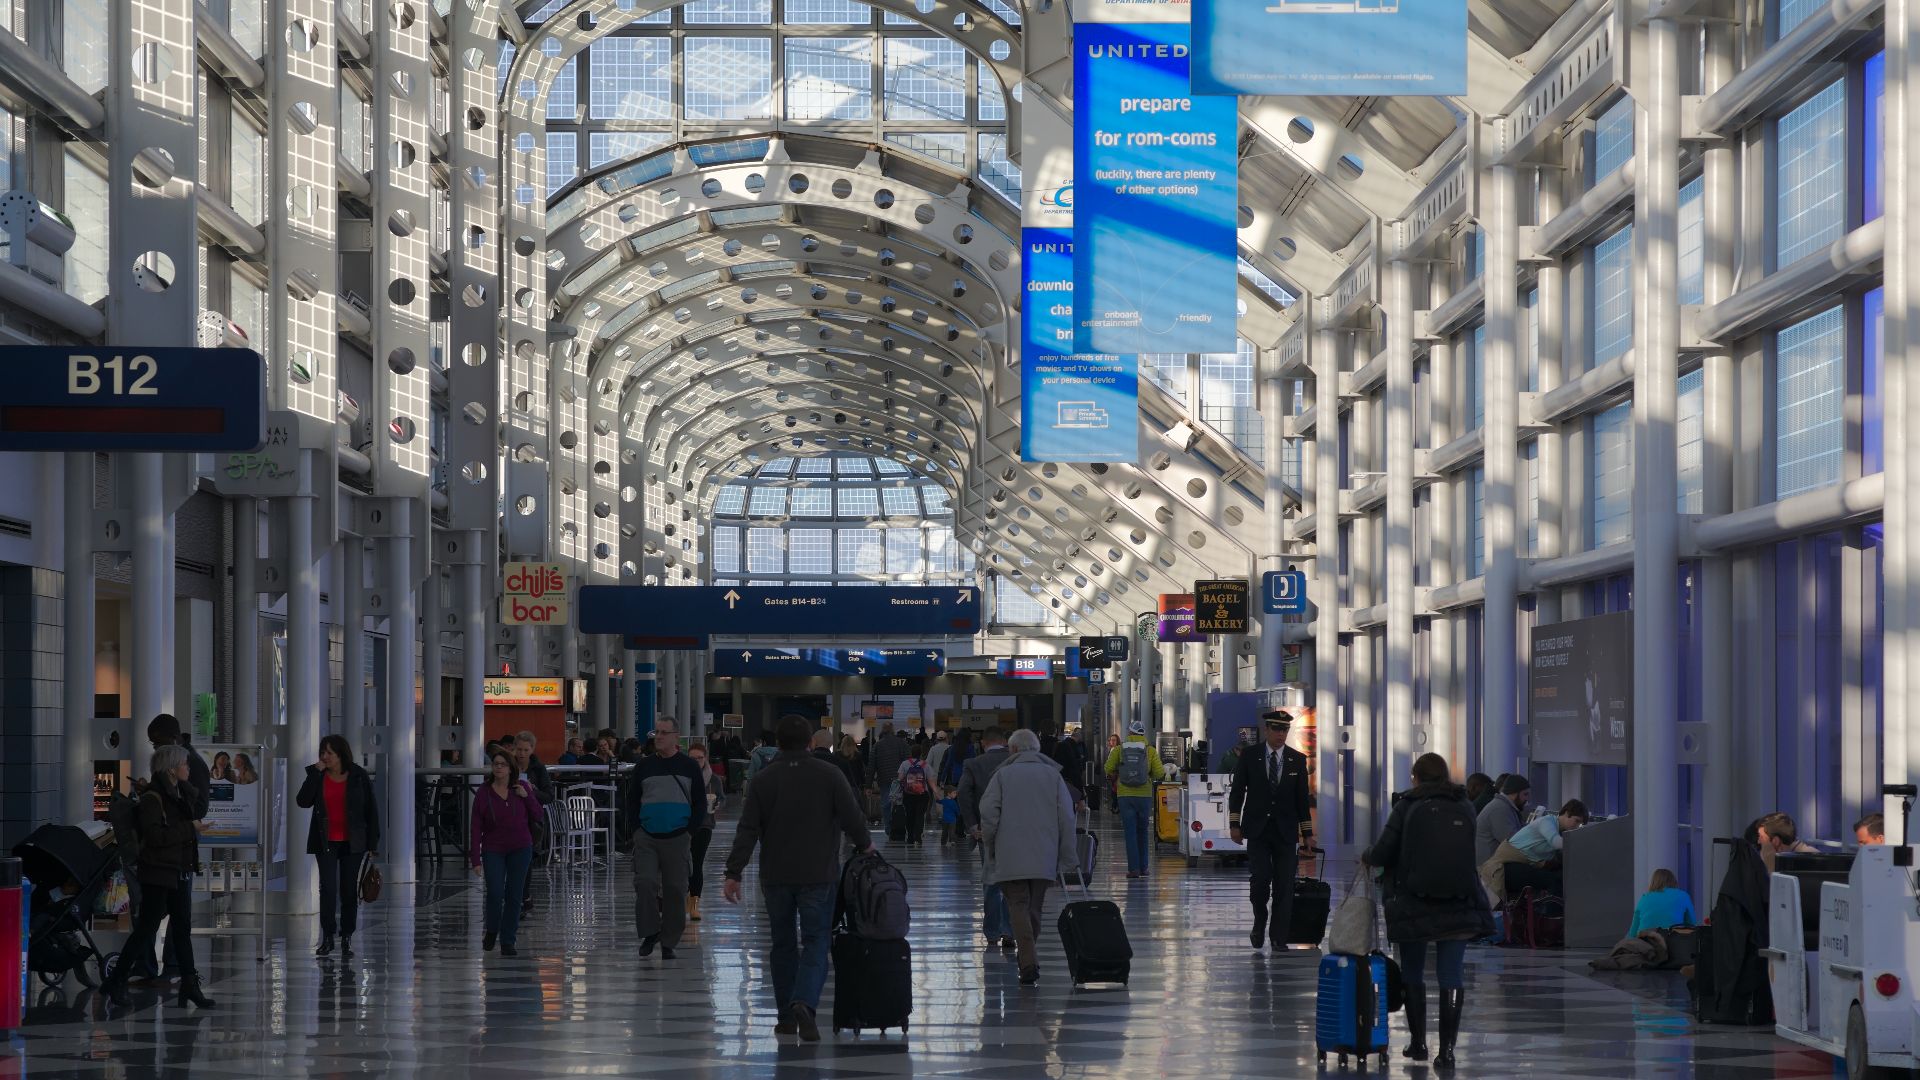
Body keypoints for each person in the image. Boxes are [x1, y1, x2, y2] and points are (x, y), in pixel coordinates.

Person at [723, 714, 873, 1042]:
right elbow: (852, 817)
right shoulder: (830, 774)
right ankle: (804, 1001)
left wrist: (733, 872)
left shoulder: (764, 779)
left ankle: (786, 1017)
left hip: (775, 875)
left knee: (782, 944)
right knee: (817, 940)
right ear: (810, 743)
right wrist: (865, 845)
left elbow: (747, 829)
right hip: (819, 873)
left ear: (777, 743)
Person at [1360, 753, 1492, 1071]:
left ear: (1415, 777)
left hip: (1414, 903)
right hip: (1460, 901)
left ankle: (1418, 1043)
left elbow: (1382, 852)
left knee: (1413, 972)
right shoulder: (1465, 806)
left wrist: (1366, 856)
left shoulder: (1406, 806)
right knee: (1451, 975)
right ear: (1445, 776)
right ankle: (1446, 1052)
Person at [102, 745, 215, 1009]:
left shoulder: (177, 794)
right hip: (157, 872)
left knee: (182, 928)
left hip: (177, 870)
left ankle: (190, 983)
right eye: (184, 764)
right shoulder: (154, 799)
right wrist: (190, 828)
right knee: (147, 928)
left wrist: (191, 828)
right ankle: (117, 979)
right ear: (172, 769)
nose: (188, 768)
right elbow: (155, 837)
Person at [978, 729, 1078, 984]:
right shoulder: (1053, 777)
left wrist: (989, 845)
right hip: (1044, 856)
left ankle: (1028, 960)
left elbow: (989, 814)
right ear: (1037, 750)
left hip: (1010, 854)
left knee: (1018, 906)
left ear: (1012, 750)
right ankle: (1028, 957)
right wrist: (1068, 856)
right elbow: (1066, 817)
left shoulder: (1002, 776)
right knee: (1034, 908)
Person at [132, 713, 210, 982]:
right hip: (167, 853)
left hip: (178, 853)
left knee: (173, 915)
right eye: (152, 743)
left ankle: (177, 968)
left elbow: (197, 807)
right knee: (160, 915)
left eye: (158, 742)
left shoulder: (192, 765)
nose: (154, 747)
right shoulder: (169, 766)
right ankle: (167, 969)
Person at [1228, 710, 1314, 948]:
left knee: (1285, 885)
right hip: (1258, 830)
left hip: (1286, 832)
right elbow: (1237, 793)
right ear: (1266, 730)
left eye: (1285, 730)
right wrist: (1234, 825)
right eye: (1276, 729)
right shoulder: (1249, 755)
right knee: (1260, 882)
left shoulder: (1297, 759)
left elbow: (1301, 801)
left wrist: (1307, 833)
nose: (1280, 734)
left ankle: (1278, 937)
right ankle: (1259, 921)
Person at [627, 719, 707, 960]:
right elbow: (632, 800)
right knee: (645, 883)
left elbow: (700, 802)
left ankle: (670, 940)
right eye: (656, 733)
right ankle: (650, 932)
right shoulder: (644, 766)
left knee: (675, 889)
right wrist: (637, 829)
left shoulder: (689, 766)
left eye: (663, 733)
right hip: (647, 836)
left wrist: (689, 831)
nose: (658, 737)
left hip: (678, 836)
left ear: (676, 737)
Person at [296, 734, 381, 959]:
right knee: (328, 888)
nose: (325, 757)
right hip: (325, 841)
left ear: (341, 755)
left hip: (353, 841)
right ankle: (327, 936)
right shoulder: (318, 776)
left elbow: (371, 810)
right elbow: (302, 801)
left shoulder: (358, 776)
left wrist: (373, 843)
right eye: (322, 753)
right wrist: (314, 772)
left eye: (329, 753)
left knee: (348, 889)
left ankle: (347, 936)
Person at [469, 748, 546, 957]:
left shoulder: (521, 788)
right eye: (496, 764)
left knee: (515, 895)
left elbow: (538, 814)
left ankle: (508, 940)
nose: (499, 768)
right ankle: (492, 929)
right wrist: (475, 857)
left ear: (511, 769)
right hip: (493, 848)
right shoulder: (484, 792)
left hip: (520, 848)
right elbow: (476, 826)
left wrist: (527, 796)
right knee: (494, 892)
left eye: (503, 764)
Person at [960, 728, 1015, 946]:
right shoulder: (1015, 762)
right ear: (1005, 741)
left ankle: (992, 932)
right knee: (1012, 880)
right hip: (1014, 830)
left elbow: (964, 794)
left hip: (985, 831)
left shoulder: (973, 764)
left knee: (991, 879)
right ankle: (1009, 930)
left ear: (983, 743)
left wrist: (973, 826)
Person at [1481, 799, 1589, 900]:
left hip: (1519, 864)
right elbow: (1555, 842)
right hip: (1506, 867)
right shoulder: (1547, 822)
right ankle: (1553, 917)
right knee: (1553, 881)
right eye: (1576, 821)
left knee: (1561, 875)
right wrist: (1582, 844)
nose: (1577, 826)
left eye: (1580, 824)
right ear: (1566, 813)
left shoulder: (1559, 831)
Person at [1106, 720, 1167, 880]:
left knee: (1130, 833)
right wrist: (1146, 777)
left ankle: (1133, 869)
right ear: (1143, 734)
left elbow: (1108, 768)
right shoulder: (1150, 750)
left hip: (1125, 795)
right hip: (1144, 795)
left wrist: (1120, 773)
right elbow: (1159, 773)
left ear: (1130, 733)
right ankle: (1144, 867)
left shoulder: (1119, 749)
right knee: (1143, 831)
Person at [685, 742, 725, 922]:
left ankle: (694, 903)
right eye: (692, 758)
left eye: (699, 758)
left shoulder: (713, 779)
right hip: (682, 825)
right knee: (681, 863)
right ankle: (681, 898)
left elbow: (722, 798)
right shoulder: (681, 777)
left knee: (697, 862)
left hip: (704, 825)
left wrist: (716, 803)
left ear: (705, 759)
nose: (696, 762)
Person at [1473, 774, 1530, 865]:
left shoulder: (1506, 806)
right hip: (1489, 869)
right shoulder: (1499, 809)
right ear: (1515, 793)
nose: (1527, 799)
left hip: (1494, 864)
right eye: (1525, 794)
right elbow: (1513, 842)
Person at [1628, 868, 1696, 937]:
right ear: (1674, 881)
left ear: (1653, 882)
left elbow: (1632, 933)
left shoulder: (1644, 898)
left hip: (1647, 944)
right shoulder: (1683, 896)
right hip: (1674, 943)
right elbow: (1692, 926)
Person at [871, 723, 910, 836]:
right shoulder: (902, 743)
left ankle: (888, 828)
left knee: (886, 804)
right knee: (900, 803)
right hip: (900, 779)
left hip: (884, 779)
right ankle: (900, 826)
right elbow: (908, 761)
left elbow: (871, 765)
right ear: (893, 730)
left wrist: (868, 785)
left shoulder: (877, 745)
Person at [896, 736, 934, 845]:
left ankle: (910, 836)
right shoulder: (925, 764)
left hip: (908, 794)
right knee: (920, 814)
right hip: (922, 794)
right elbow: (931, 779)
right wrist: (935, 791)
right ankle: (918, 835)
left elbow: (900, 778)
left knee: (909, 814)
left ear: (911, 753)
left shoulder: (904, 764)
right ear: (920, 753)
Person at [1051, 728, 1088, 805]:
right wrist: (1081, 798)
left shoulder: (1060, 744)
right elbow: (1074, 770)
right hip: (1068, 781)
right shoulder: (1070, 747)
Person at [1104, 733, 1122, 813]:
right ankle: (1115, 806)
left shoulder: (1118, 750)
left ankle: (1116, 806)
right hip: (1111, 774)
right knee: (1114, 791)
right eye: (1111, 740)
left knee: (1115, 791)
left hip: (1116, 774)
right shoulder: (1111, 750)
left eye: (1114, 740)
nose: (1112, 742)